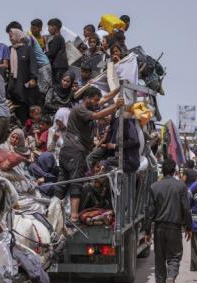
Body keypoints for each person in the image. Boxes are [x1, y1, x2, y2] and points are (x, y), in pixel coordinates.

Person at [54, 86, 123, 223]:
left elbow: (104, 99)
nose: (98, 103)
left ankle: (54, 211)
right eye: (95, 100)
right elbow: (97, 116)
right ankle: (74, 216)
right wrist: (116, 106)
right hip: (75, 152)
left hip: (68, 151)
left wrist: (118, 89)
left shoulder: (88, 106)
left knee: (63, 183)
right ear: (87, 99)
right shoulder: (80, 110)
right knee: (76, 182)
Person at [144, 158, 192, 283]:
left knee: (159, 258)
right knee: (174, 257)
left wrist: (147, 231)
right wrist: (189, 227)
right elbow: (186, 209)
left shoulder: (154, 187)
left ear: (162, 171)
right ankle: (170, 277)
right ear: (174, 171)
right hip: (175, 228)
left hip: (158, 227)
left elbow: (149, 211)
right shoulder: (181, 186)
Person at [6, 21, 52, 100]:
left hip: (43, 66)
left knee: (43, 90)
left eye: (11, 34)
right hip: (37, 66)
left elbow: (28, 53)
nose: (10, 37)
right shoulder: (20, 41)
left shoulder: (26, 38)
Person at [7, 28, 39, 124]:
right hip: (14, 85)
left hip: (25, 84)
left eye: (11, 36)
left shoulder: (27, 48)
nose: (10, 39)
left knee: (28, 107)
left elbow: (33, 64)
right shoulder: (10, 50)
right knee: (18, 109)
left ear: (18, 35)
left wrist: (33, 78)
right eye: (9, 37)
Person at [46, 18, 68, 85]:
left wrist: (43, 56)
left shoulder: (57, 37)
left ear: (54, 27)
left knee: (58, 85)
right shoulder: (58, 37)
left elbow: (52, 53)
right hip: (59, 66)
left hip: (58, 67)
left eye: (49, 27)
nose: (48, 29)